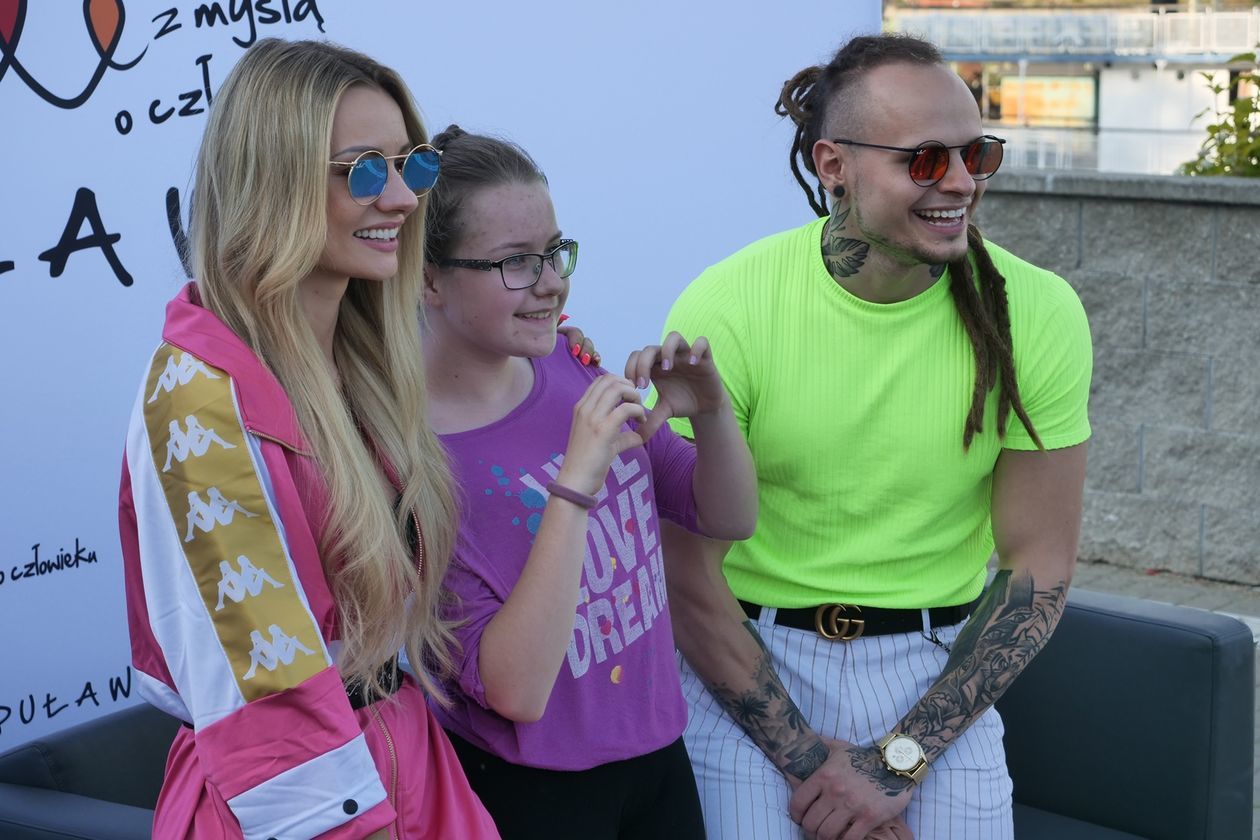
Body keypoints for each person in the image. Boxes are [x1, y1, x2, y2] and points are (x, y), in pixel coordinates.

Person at [659, 33, 1092, 840]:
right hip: (746, 662)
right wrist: (813, 766)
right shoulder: (729, 307)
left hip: (939, 670)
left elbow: (1038, 563)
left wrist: (896, 763)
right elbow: (687, 575)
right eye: (925, 161)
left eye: (977, 153)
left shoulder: (1038, 311)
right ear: (834, 166)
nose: (961, 182)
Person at [118, 39, 499, 839]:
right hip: (303, 809)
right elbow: (268, 700)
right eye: (363, 171)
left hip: (407, 762)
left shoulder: (360, 362)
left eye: (413, 165)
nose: (401, 198)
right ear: (275, 181)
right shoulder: (199, 398)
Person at [419, 126, 759, 839]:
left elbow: (726, 515)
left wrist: (712, 409)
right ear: (428, 279)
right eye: (516, 262)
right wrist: (574, 484)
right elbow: (515, 692)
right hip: (530, 791)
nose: (551, 282)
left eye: (554, 252)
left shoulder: (569, 365)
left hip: (659, 758)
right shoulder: (413, 462)